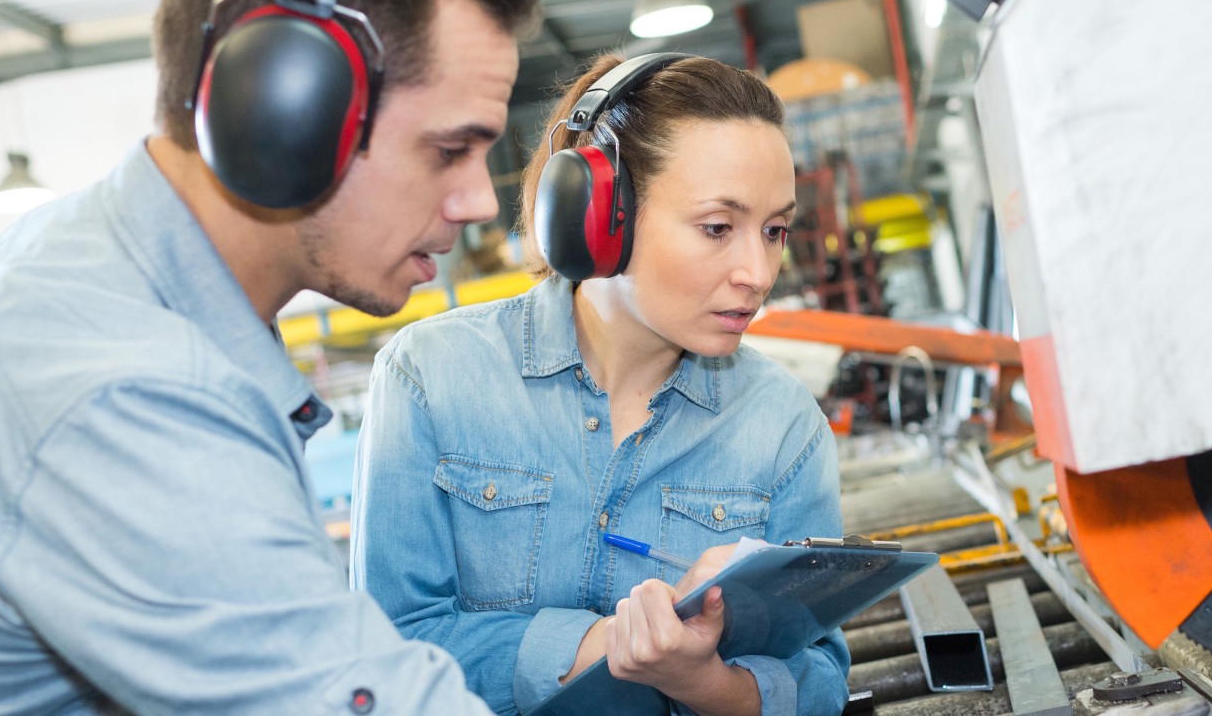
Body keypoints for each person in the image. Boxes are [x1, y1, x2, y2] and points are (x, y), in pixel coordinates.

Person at [0, 0, 539, 714]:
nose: (479, 202)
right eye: (449, 150)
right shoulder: (120, 392)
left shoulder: (105, 271)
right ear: (285, 110)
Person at [351, 53, 850, 716]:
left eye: (775, 231)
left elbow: (818, 680)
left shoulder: (785, 427)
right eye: (717, 228)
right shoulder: (430, 378)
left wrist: (698, 680)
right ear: (599, 213)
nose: (758, 273)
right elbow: (386, 651)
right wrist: (609, 644)